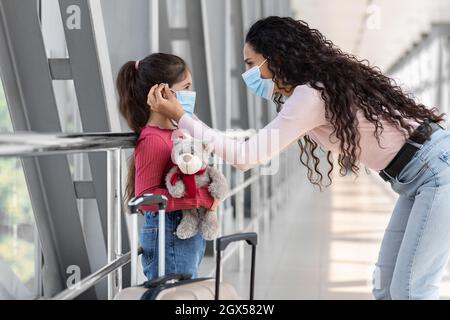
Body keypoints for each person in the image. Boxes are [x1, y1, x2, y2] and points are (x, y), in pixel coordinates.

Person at [148, 16, 450, 299]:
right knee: (386, 287)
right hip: (418, 175)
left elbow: (246, 156)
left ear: (275, 59)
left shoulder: (311, 94)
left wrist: (182, 117)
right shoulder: (319, 87)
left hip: (435, 172)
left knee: (411, 290)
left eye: (252, 65)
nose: (250, 75)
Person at [117, 53, 220, 280]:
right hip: (168, 234)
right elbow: (145, 197)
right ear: (162, 93)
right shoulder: (153, 139)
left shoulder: (176, 133)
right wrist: (201, 198)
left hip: (182, 233)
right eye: (186, 87)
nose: (191, 94)